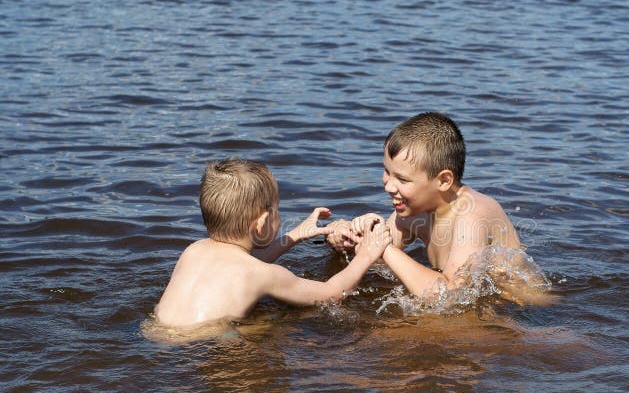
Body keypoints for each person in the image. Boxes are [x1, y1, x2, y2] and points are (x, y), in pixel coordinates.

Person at [327, 112, 551, 304]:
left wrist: (382, 247)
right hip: (479, 299)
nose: (388, 184)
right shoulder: (412, 210)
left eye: (402, 180)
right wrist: (346, 238)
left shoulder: (471, 214)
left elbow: (450, 296)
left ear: (443, 180)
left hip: (520, 305)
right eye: (387, 171)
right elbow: (375, 258)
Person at [155, 158, 391, 328]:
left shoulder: (194, 250)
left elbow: (243, 267)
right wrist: (366, 255)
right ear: (262, 222)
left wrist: (296, 235)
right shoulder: (264, 274)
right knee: (271, 329)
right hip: (211, 341)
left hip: (157, 333)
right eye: (277, 211)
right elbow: (332, 294)